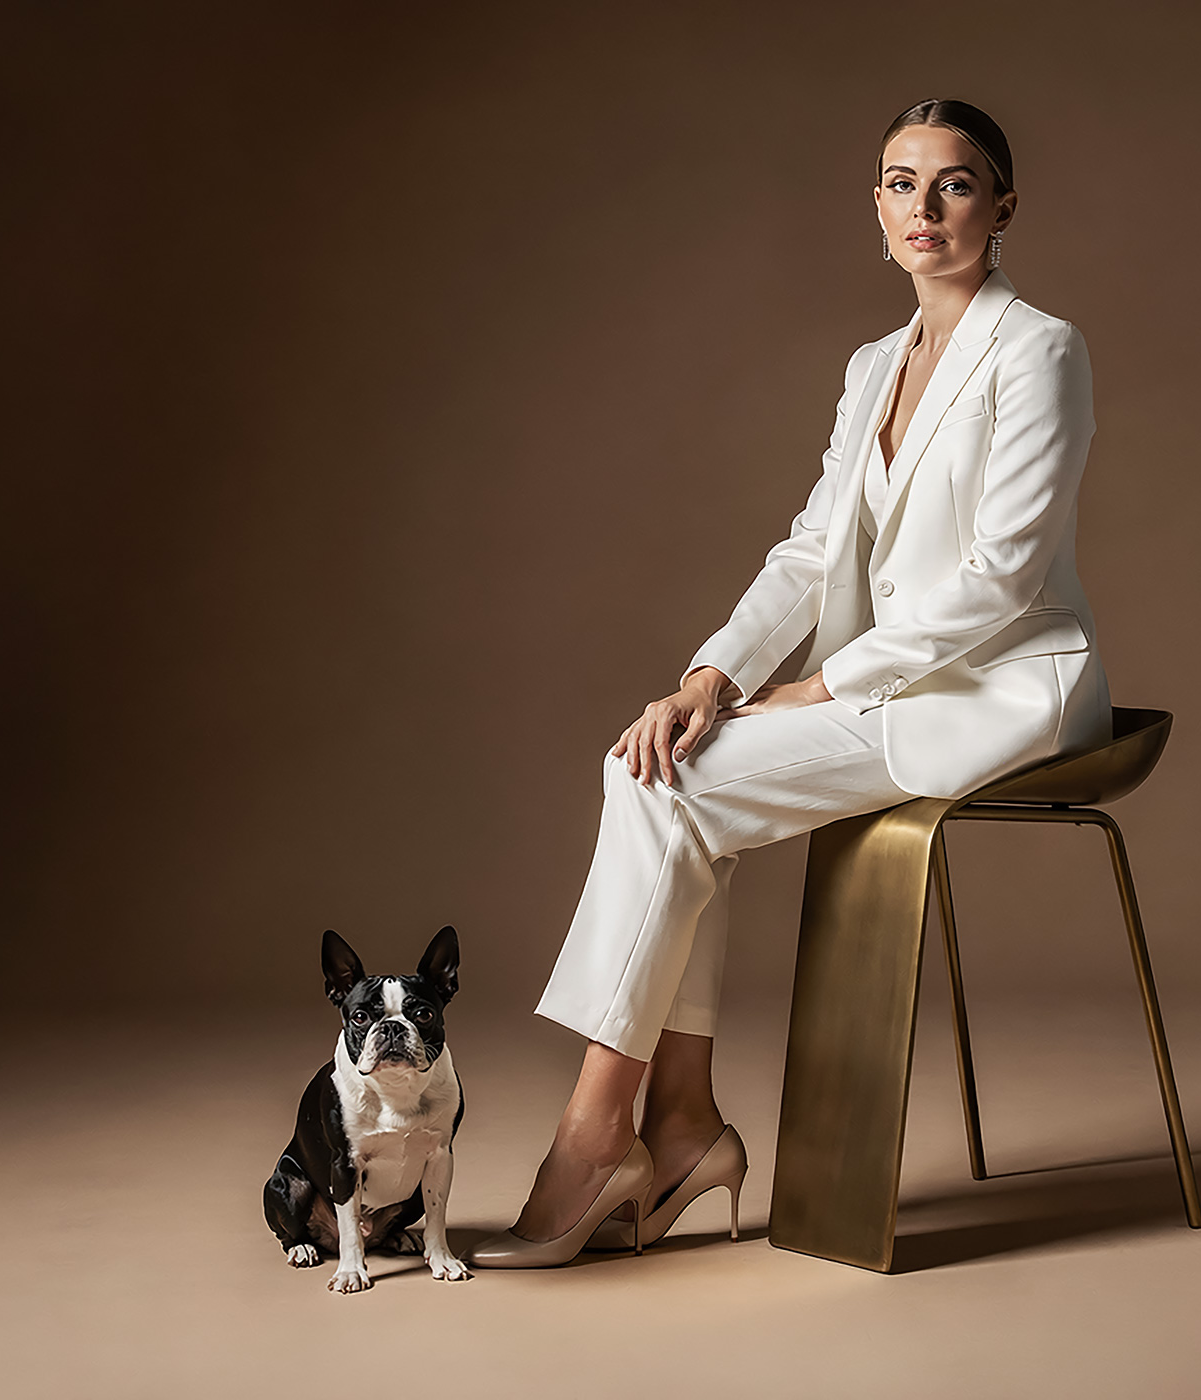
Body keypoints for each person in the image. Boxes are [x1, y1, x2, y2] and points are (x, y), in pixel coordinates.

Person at [469, 97, 1112, 1267]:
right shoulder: (873, 365)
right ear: (874, 205)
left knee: (668, 794)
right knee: (663, 761)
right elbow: (813, 549)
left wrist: (827, 687)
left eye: (955, 183)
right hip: (891, 681)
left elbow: (1002, 577)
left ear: (1002, 207)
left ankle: (603, 1129)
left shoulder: (1040, 348)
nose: (925, 207)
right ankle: (674, 1124)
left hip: (1003, 682)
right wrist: (712, 675)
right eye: (900, 182)